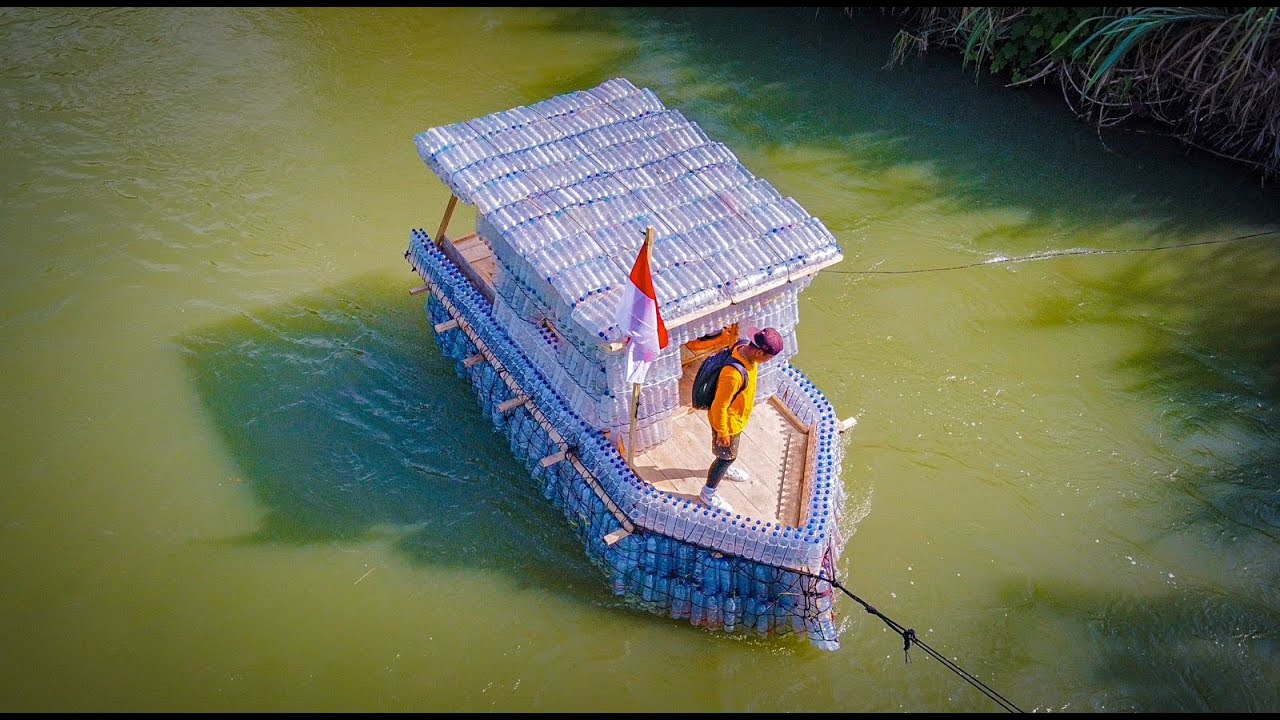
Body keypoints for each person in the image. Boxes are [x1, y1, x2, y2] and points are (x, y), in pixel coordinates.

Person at [699, 327, 785, 513]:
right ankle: (708, 492)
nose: (768, 361)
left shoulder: (743, 347)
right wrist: (722, 432)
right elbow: (719, 406)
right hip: (728, 424)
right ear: (760, 352)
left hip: (737, 418)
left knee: (726, 456)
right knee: (726, 457)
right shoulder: (733, 374)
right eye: (769, 358)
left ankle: (724, 468)